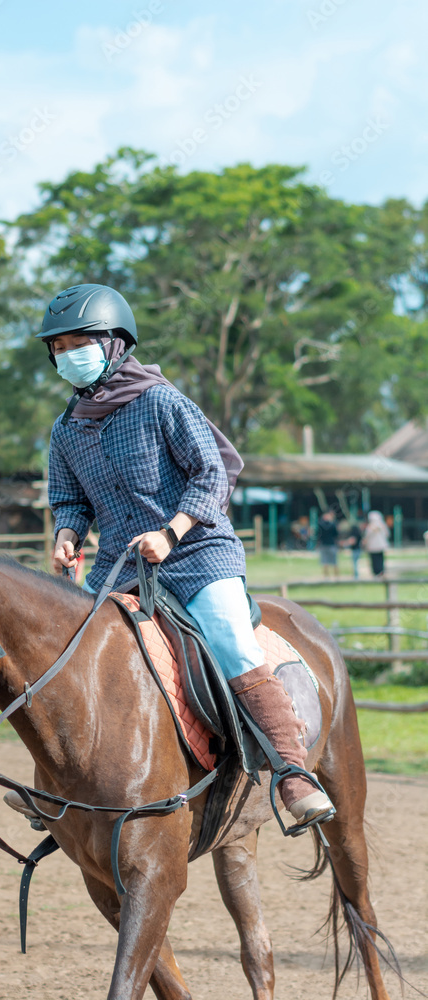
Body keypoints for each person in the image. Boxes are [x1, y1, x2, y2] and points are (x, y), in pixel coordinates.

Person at [38, 282, 333, 829]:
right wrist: (68, 534)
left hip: (198, 553)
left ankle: (294, 773)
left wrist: (170, 533)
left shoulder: (161, 401)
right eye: (57, 347)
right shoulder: (66, 429)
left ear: (114, 343)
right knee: (74, 654)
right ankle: (66, 789)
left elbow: (211, 472)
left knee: (228, 639)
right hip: (120, 569)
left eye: (78, 342)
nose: (66, 355)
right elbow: (70, 498)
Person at [363, 511, 389, 577]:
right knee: (379, 560)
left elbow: (367, 536)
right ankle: (379, 572)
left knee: (376, 560)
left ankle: (378, 572)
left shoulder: (371, 527)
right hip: (377, 547)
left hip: (374, 547)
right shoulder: (382, 525)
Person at [316, 510, 339, 578]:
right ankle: (336, 576)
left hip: (323, 544)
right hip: (331, 544)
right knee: (334, 562)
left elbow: (318, 534)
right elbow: (336, 534)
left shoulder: (320, 525)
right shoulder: (332, 525)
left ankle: (326, 576)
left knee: (325, 562)